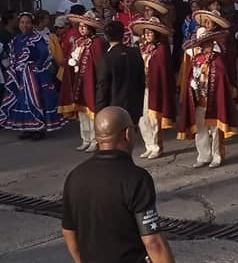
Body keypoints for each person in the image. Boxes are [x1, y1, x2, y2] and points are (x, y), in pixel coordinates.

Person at [62, 106, 175, 263]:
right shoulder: (137, 179)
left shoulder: (75, 176)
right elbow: (153, 241)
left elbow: (69, 231)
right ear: (127, 134)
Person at [0, 12, 66, 139]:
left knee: (37, 99)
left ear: (32, 24)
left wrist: (35, 67)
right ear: (19, 24)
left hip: (35, 76)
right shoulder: (17, 39)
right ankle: (28, 127)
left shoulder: (36, 38)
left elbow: (44, 53)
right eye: (22, 22)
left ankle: (39, 128)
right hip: (21, 74)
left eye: (27, 22)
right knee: (23, 100)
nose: (25, 25)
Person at [179, 29, 238, 168]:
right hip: (199, 100)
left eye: (209, 43)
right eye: (204, 44)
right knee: (200, 130)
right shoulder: (195, 59)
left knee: (216, 131)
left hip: (214, 100)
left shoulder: (218, 59)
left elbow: (222, 78)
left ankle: (217, 156)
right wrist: (191, 82)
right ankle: (203, 156)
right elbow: (189, 77)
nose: (207, 46)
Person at [59, 11, 105, 152]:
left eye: (85, 26)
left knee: (92, 113)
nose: (82, 29)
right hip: (79, 81)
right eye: (80, 26)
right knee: (82, 113)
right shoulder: (78, 42)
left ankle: (94, 140)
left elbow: (99, 63)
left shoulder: (97, 42)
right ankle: (85, 139)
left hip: (91, 82)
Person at [130, 18, 176, 160]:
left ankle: (156, 146)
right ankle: (148, 145)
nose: (148, 35)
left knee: (154, 118)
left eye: (151, 32)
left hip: (155, 88)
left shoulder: (161, 49)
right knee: (142, 119)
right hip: (142, 87)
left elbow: (163, 69)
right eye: (146, 32)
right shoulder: (141, 48)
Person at [95, 21, 146, 125]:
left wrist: (99, 111)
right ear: (123, 35)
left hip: (113, 108)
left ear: (106, 36)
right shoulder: (135, 53)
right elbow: (141, 81)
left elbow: (103, 86)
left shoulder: (106, 58)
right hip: (134, 105)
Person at [171, 0, 202, 71]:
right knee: (177, 47)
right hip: (179, 24)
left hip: (193, 24)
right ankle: (177, 69)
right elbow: (172, 9)